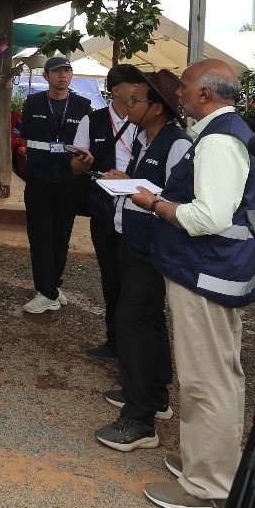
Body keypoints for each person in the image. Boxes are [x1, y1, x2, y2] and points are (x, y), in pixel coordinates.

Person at [126, 59, 255, 508]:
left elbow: (208, 217)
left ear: (205, 93)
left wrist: (155, 204)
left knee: (207, 379)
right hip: (211, 271)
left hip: (205, 272)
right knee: (216, 374)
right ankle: (208, 462)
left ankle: (210, 487)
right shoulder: (220, 134)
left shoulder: (219, 141)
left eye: (184, 87)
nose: (178, 93)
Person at [95, 68, 190, 454]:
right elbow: (144, 185)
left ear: (157, 108)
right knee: (148, 321)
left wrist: (138, 190)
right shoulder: (141, 138)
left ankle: (139, 419)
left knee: (131, 322)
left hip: (153, 248)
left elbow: (178, 200)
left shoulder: (177, 144)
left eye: (136, 100)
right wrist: (124, 178)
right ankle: (154, 395)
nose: (128, 105)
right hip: (131, 241)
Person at [17, 55, 93, 315]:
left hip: (68, 181)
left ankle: (53, 285)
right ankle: (46, 291)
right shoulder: (33, 103)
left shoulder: (83, 106)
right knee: (40, 236)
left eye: (67, 71)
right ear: (46, 75)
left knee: (62, 237)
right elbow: (25, 139)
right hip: (39, 180)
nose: (62, 75)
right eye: (57, 71)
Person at [82, 65, 141, 361]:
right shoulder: (92, 121)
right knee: (110, 276)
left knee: (136, 279)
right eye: (134, 85)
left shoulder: (146, 121)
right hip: (104, 210)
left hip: (139, 209)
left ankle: (134, 347)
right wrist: (82, 161)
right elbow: (76, 167)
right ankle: (114, 341)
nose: (139, 91)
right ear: (117, 90)